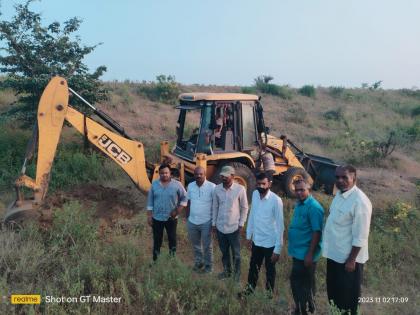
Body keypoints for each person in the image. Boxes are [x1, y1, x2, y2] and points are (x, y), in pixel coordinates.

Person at [323, 165, 372, 315]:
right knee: (334, 294)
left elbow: (361, 235)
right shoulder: (339, 194)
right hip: (335, 255)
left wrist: (351, 260)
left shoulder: (360, 201)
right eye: (337, 177)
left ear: (354, 178)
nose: (340, 180)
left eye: (345, 177)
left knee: (348, 298)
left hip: (348, 260)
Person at [288, 179, 324, 315]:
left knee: (305, 284)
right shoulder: (299, 204)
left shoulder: (314, 207)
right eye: (296, 190)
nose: (299, 193)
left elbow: (317, 232)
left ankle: (307, 309)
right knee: (297, 282)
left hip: (306, 254)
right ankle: (300, 307)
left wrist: (310, 254)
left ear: (309, 189)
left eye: (302, 190)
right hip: (297, 252)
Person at [245, 172, 284, 295]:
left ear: (270, 184)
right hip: (257, 240)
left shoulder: (276, 201)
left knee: (270, 271)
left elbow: (280, 226)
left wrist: (277, 250)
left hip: (270, 243)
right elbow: (252, 215)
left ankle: (269, 296)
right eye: (258, 184)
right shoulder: (255, 194)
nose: (260, 186)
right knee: (253, 268)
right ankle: (249, 291)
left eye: (263, 184)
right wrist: (248, 236)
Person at [212, 165, 249, 281]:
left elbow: (244, 208)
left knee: (236, 254)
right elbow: (215, 207)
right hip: (220, 227)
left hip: (234, 227)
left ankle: (236, 276)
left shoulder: (240, 189)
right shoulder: (217, 189)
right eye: (222, 176)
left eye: (226, 176)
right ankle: (227, 272)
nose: (223, 178)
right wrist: (214, 223)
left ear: (233, 176)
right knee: (224, 252)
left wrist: (241, 223)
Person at [146, 164, 188, 261]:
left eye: (166, 173)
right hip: (157, 218)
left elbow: (185, 197)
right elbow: (150, 201)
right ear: (159, 174)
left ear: (170, 173)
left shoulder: (177, 184)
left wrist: (177, 210)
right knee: (157, 240)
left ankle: (172, 259)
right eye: (162, 173)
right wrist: (149, 216)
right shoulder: (154, 185)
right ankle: (156, 260)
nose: (164, 175)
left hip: (171, 218)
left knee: (172, 239)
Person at [186, 166, 216, 273]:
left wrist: (213, 222)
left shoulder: (212, 187)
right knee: (196, 245)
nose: (198, 176)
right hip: (192, 221)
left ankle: (209, 268)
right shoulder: (190, 186)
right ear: (194, 175)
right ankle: (199, 263)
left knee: (207, 246)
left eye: (200, 174)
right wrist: (188, 218)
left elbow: (215, 205)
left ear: (205, 174)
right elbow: (188, 202)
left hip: (206, 222)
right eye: (196, 174)